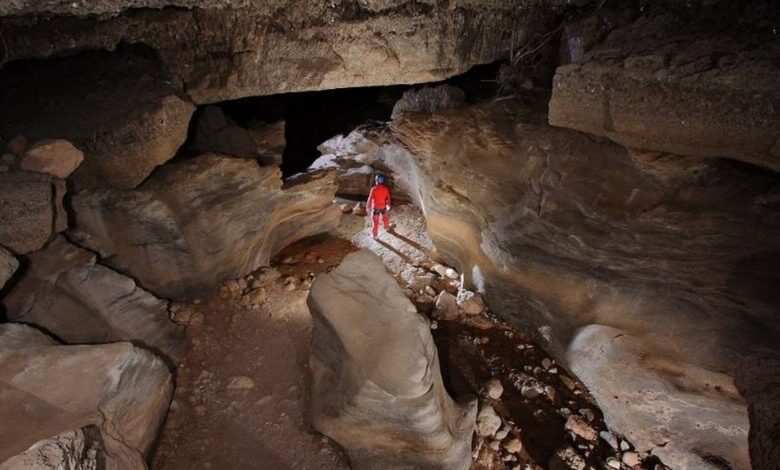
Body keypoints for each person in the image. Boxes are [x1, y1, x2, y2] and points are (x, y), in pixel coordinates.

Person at [366, 173, 392, 238]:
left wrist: (368, 206)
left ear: (376, 181)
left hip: (376, 208)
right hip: (383, 207)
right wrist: (388, 204)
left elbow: (370, 198)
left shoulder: (374, 189)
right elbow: (388, 197)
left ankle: (375, 235)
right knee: (385, 218)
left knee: (375, 221)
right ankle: (386, 227)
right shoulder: (386, 189)